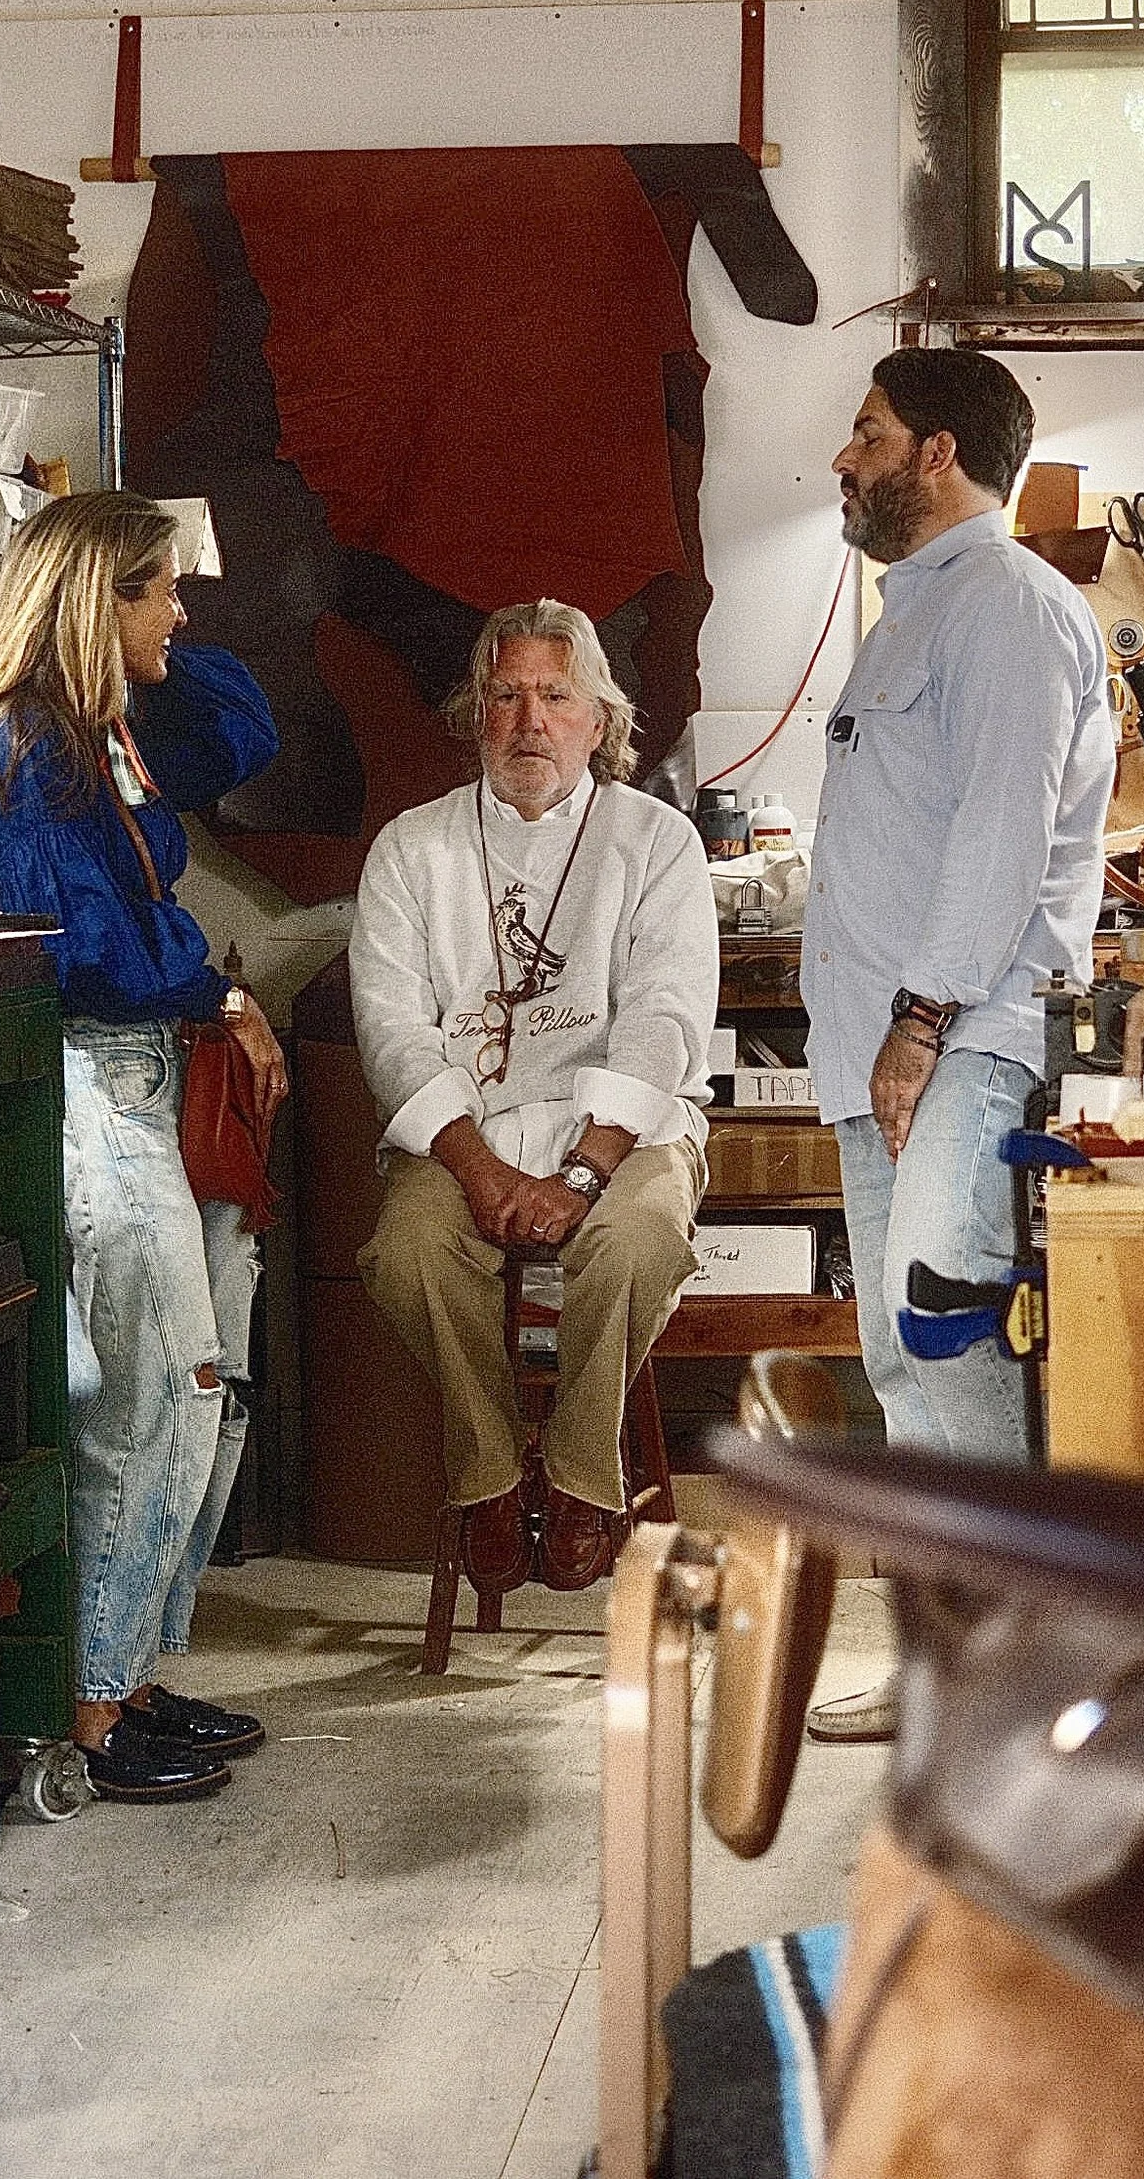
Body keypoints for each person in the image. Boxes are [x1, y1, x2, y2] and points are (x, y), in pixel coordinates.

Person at [0, 492, 288, 1803]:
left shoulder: (96, 730)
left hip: (135, 1087)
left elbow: (239, 727)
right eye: (160, 594)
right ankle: (96, 1705)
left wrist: (135, 634)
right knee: (145, 1405)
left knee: (187, 1397)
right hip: (94, 1089)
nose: (184, 614)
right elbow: (85, 947)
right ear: (97, 602)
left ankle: (131, 1672)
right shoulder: (29, 746)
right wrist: (209, 982)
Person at [799, 348, 1114, 1741]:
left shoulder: (1007, 604)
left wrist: (921, 1026)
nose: (842, 458)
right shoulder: (918, 609)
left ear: (937, 452)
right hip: (895, 1050)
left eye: (865, 433)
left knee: (954, 1350)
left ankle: (1018, 1678)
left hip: (958, 1043)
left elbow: (1001, 833)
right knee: (902, 1359)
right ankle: (956, 1663)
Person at [349, 600, 719, 1595]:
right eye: (505, 694)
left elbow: (665, 1016)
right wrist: (476, 1165)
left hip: (624, 1132)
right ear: (474, 712)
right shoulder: (410, 849)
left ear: (598, 719)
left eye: (555, 696)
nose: (529, 721)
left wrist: (582, 1170)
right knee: (408, 1248)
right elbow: (390, 1027)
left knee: (635, 1241)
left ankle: (584, 1475)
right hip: (464, 1131)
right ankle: (488, 1474)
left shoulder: (655, 841)